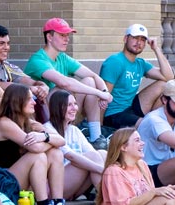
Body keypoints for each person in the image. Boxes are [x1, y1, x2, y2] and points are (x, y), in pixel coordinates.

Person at [0, 84, 77, 205]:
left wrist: (43, 136)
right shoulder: (4, 123)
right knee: (38, 156)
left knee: (55, 153)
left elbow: (61, 141)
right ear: (17, 101)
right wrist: (46, 138)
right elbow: (36, 148)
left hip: (14, 180)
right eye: (30, 99)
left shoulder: (28, 122)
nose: (34, 102)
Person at [23, 18, 113, 146]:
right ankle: (62, 134)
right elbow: (65, 83)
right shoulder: (38, 60)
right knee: (62, 89)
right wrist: (99, 94)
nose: (67, 39)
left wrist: (104, 92)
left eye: (67, 35)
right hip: (42, 117)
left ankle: (96, 137)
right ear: (49, 37)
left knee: (89, 81)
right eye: (62, 35)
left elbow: (92, 75)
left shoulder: (62, 57)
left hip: (61, 109)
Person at [99, 23, 175, 137]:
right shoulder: (115, 61)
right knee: (149, 126)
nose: (138, 42)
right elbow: (102, 97)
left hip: (130, 108)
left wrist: (156, 49)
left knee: (164, 85)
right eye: (135, 38)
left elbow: (169, 77)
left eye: (142, 40)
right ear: (125, 39)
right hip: (114, 114)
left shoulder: (140, 64)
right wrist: (98, 129)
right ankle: (153, 125)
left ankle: (155, 121)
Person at [46, 89, 105, 200]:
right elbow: (70, 156)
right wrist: (102, 170)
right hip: (54, 187)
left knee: (102, 153)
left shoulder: (74, 130)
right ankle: (111, 201)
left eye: (75, 104)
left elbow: (93, 153)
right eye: (69, 105)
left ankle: (112, 197)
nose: (75, 109)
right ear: (57, 108)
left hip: (73, 185)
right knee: (93, 158)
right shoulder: (48, 129)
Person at [0, 24, 50, 117]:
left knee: (38, 96)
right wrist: (28, 89)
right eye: (1, 43)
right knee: (27, 98)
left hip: (3, 111)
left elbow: (28, 81)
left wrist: (41, 86)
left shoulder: (7, 66)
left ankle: (47, 127)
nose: (6, 47)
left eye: (8, 43)